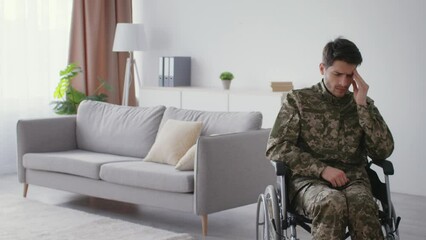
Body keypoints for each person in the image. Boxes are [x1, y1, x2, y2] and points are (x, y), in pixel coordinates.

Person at [266, 37, 394, 240]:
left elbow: (383, 151)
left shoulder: (362, 104)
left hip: (353, 179)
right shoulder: (298, 100)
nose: (344, 82)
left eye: (349, 75)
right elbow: (276, 147)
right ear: (322, 69)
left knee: (362, 204)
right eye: (337, 74)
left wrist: (362, 108)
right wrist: (322, 169)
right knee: (331, 201)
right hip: (308, 180)